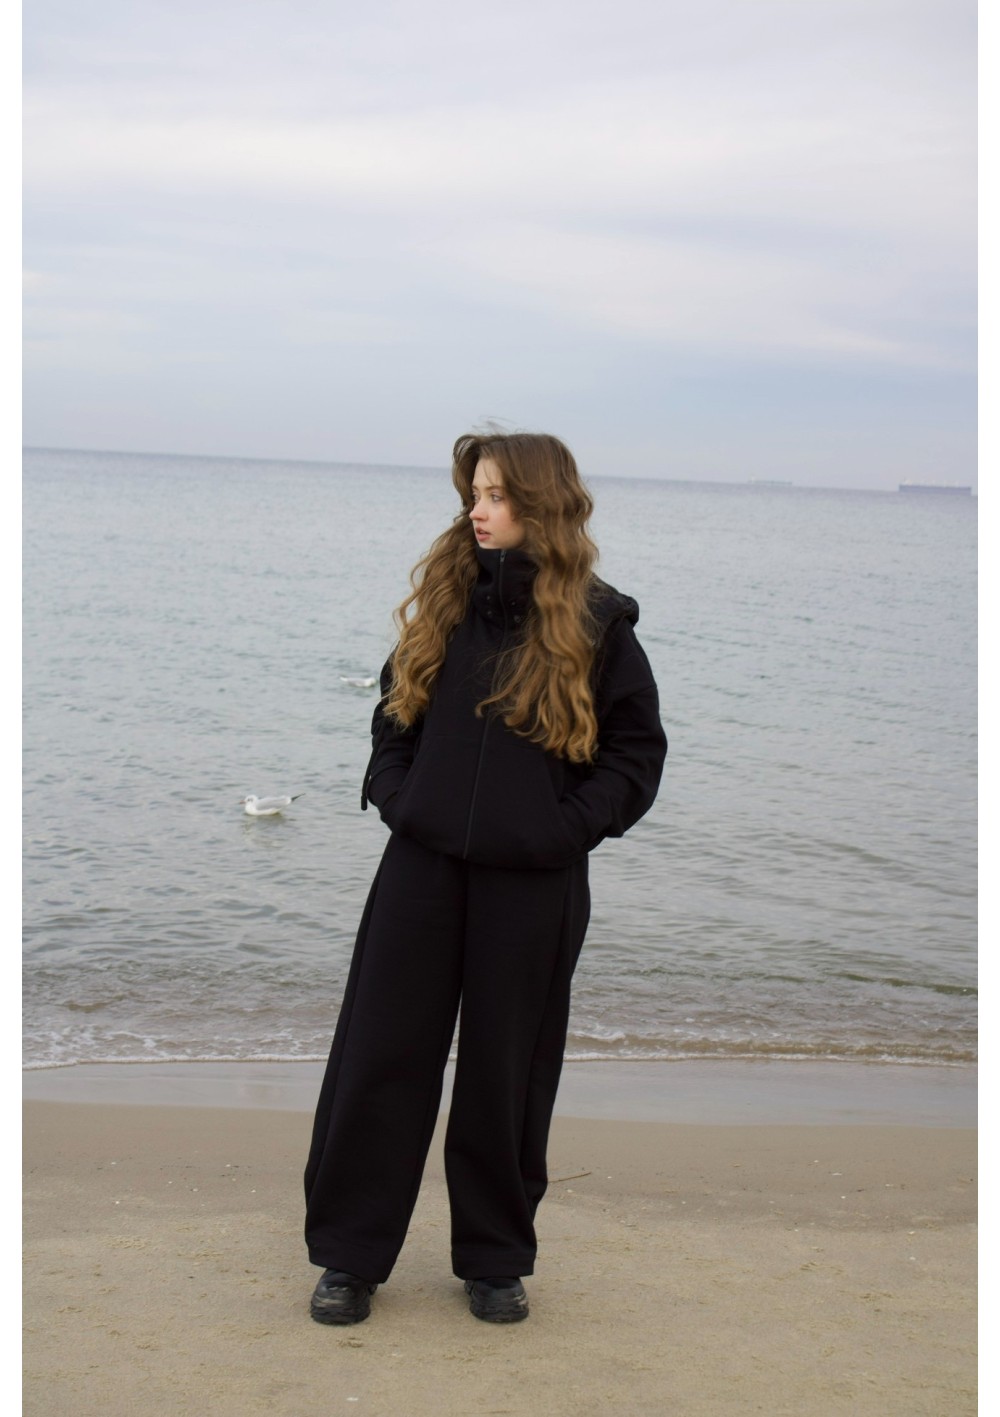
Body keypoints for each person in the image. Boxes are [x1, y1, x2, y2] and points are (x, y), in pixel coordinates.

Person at [304, 431, 667, 1325]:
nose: (478, 509)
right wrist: (400, 798)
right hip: (421, 870)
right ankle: (351, 1256)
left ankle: (496, 1258)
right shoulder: (445, 601)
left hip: (533, 885)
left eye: (498, 494)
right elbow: (393, 718)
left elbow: (636, 754)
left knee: (508, 1073)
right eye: (475, 492)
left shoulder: (598, 623)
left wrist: (562, 830)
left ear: (542, 504)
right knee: (379, 1058)